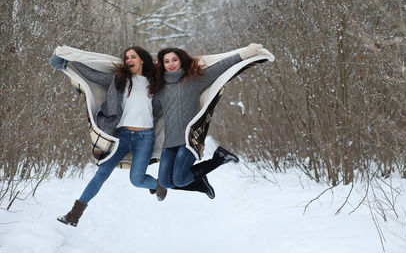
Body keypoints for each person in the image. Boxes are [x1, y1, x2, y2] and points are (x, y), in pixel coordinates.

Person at [49, 46, 167, 227]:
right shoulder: (119, 80)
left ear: (142, 59)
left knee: (137, 180)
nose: (129, 60)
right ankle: (74, 215)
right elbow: (93, 76)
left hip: (145, 138)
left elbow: (177, 81)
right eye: (126, 57)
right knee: (101, 174)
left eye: (133, 56)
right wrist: (68, 62)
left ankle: (157, 185)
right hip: (122, 136)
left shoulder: (155, 81)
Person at [152, 44, 264, 198]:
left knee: (179, 179)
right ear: (162, 64)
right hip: (169, 142)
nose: (171, 64)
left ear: (181, 61)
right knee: (165, 182)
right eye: (167, 61)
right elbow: (150, 110)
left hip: (189, 139)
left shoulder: (193, 80)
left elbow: (220, 67)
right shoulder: (160, 87)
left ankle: (219, 158)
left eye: (174, 60)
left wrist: (244, 54)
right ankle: (200, 181)